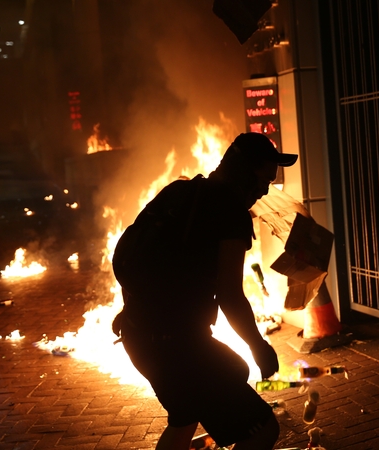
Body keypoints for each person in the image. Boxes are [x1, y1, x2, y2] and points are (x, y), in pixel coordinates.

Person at [112, 132, 298, 450]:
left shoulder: (180, 191)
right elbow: (229, 295)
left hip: (138, 336)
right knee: (263, 430)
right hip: (179, 348)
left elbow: (134, 256)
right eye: (263, 179)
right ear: (244, 173)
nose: (264, 190)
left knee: (187, 415)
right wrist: (258, 345)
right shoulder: (230, 213)